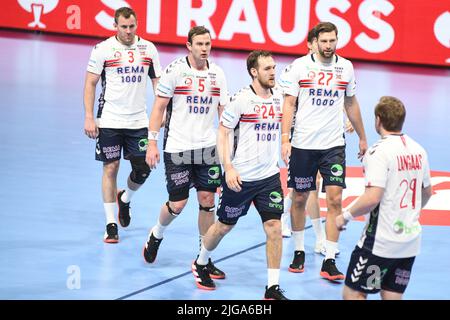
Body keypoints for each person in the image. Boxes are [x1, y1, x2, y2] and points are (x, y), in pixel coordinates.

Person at [191, 50, 288, 300]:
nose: (273, 72)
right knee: (223, 227)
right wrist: (229, 168)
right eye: (267, 69)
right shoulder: (240, 100)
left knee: (274, 228)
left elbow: (292, 119)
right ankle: (201, 262)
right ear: (254, 72)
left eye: (274, 67)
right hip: (241, 178)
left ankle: (272, 287)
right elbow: (222, 133)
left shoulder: (279, 97)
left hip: (269, 178)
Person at [280, 21, 368, 280]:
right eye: (324, 41)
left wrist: (363, 137)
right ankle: (298, 250)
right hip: (304, 145)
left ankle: (329, 258)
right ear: (315, 42)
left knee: (334, 200)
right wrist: (285, 139)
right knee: (299, 198)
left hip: (333, 145)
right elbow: (289, 104)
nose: (329, 46)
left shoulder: (346, 67)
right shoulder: (300, 66)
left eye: (333, 41)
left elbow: (350, 102)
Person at [143, 26, 228, 279]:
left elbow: (224, 113)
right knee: (178, 204)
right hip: (178, 147)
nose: (204, 48)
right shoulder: (175, 71)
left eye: (208, 44)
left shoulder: (218, 74)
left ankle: (204, 258)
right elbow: (159, 108)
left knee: (208, 201)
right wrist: (152, 142)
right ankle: (157, 233)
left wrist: (229, 151)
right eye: (199, 44)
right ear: (189, 46)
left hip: (206, 148)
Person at [336, 96, 432, 300]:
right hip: (409, 240)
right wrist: (407, 213)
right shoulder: (419, 150)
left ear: (378, 120)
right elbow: (426, 192)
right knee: (391, 295)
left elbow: (372, 197)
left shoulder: (378, 152)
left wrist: (345, 215)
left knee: (353, 293)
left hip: (380, 243)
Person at [83, 7, 161, 243]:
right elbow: (90, 83)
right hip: (109, 119)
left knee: (143, 168)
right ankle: (110, 223)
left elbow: (157, 81)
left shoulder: (148, 49)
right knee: (111, 167)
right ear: (115, 26)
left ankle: (125, 198)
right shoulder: (103, 49)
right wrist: (89, 116)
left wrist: (161, 112)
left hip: (138, 121)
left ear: (137, 25)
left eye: (132, 27)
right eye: (124, 27)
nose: (128, 31)